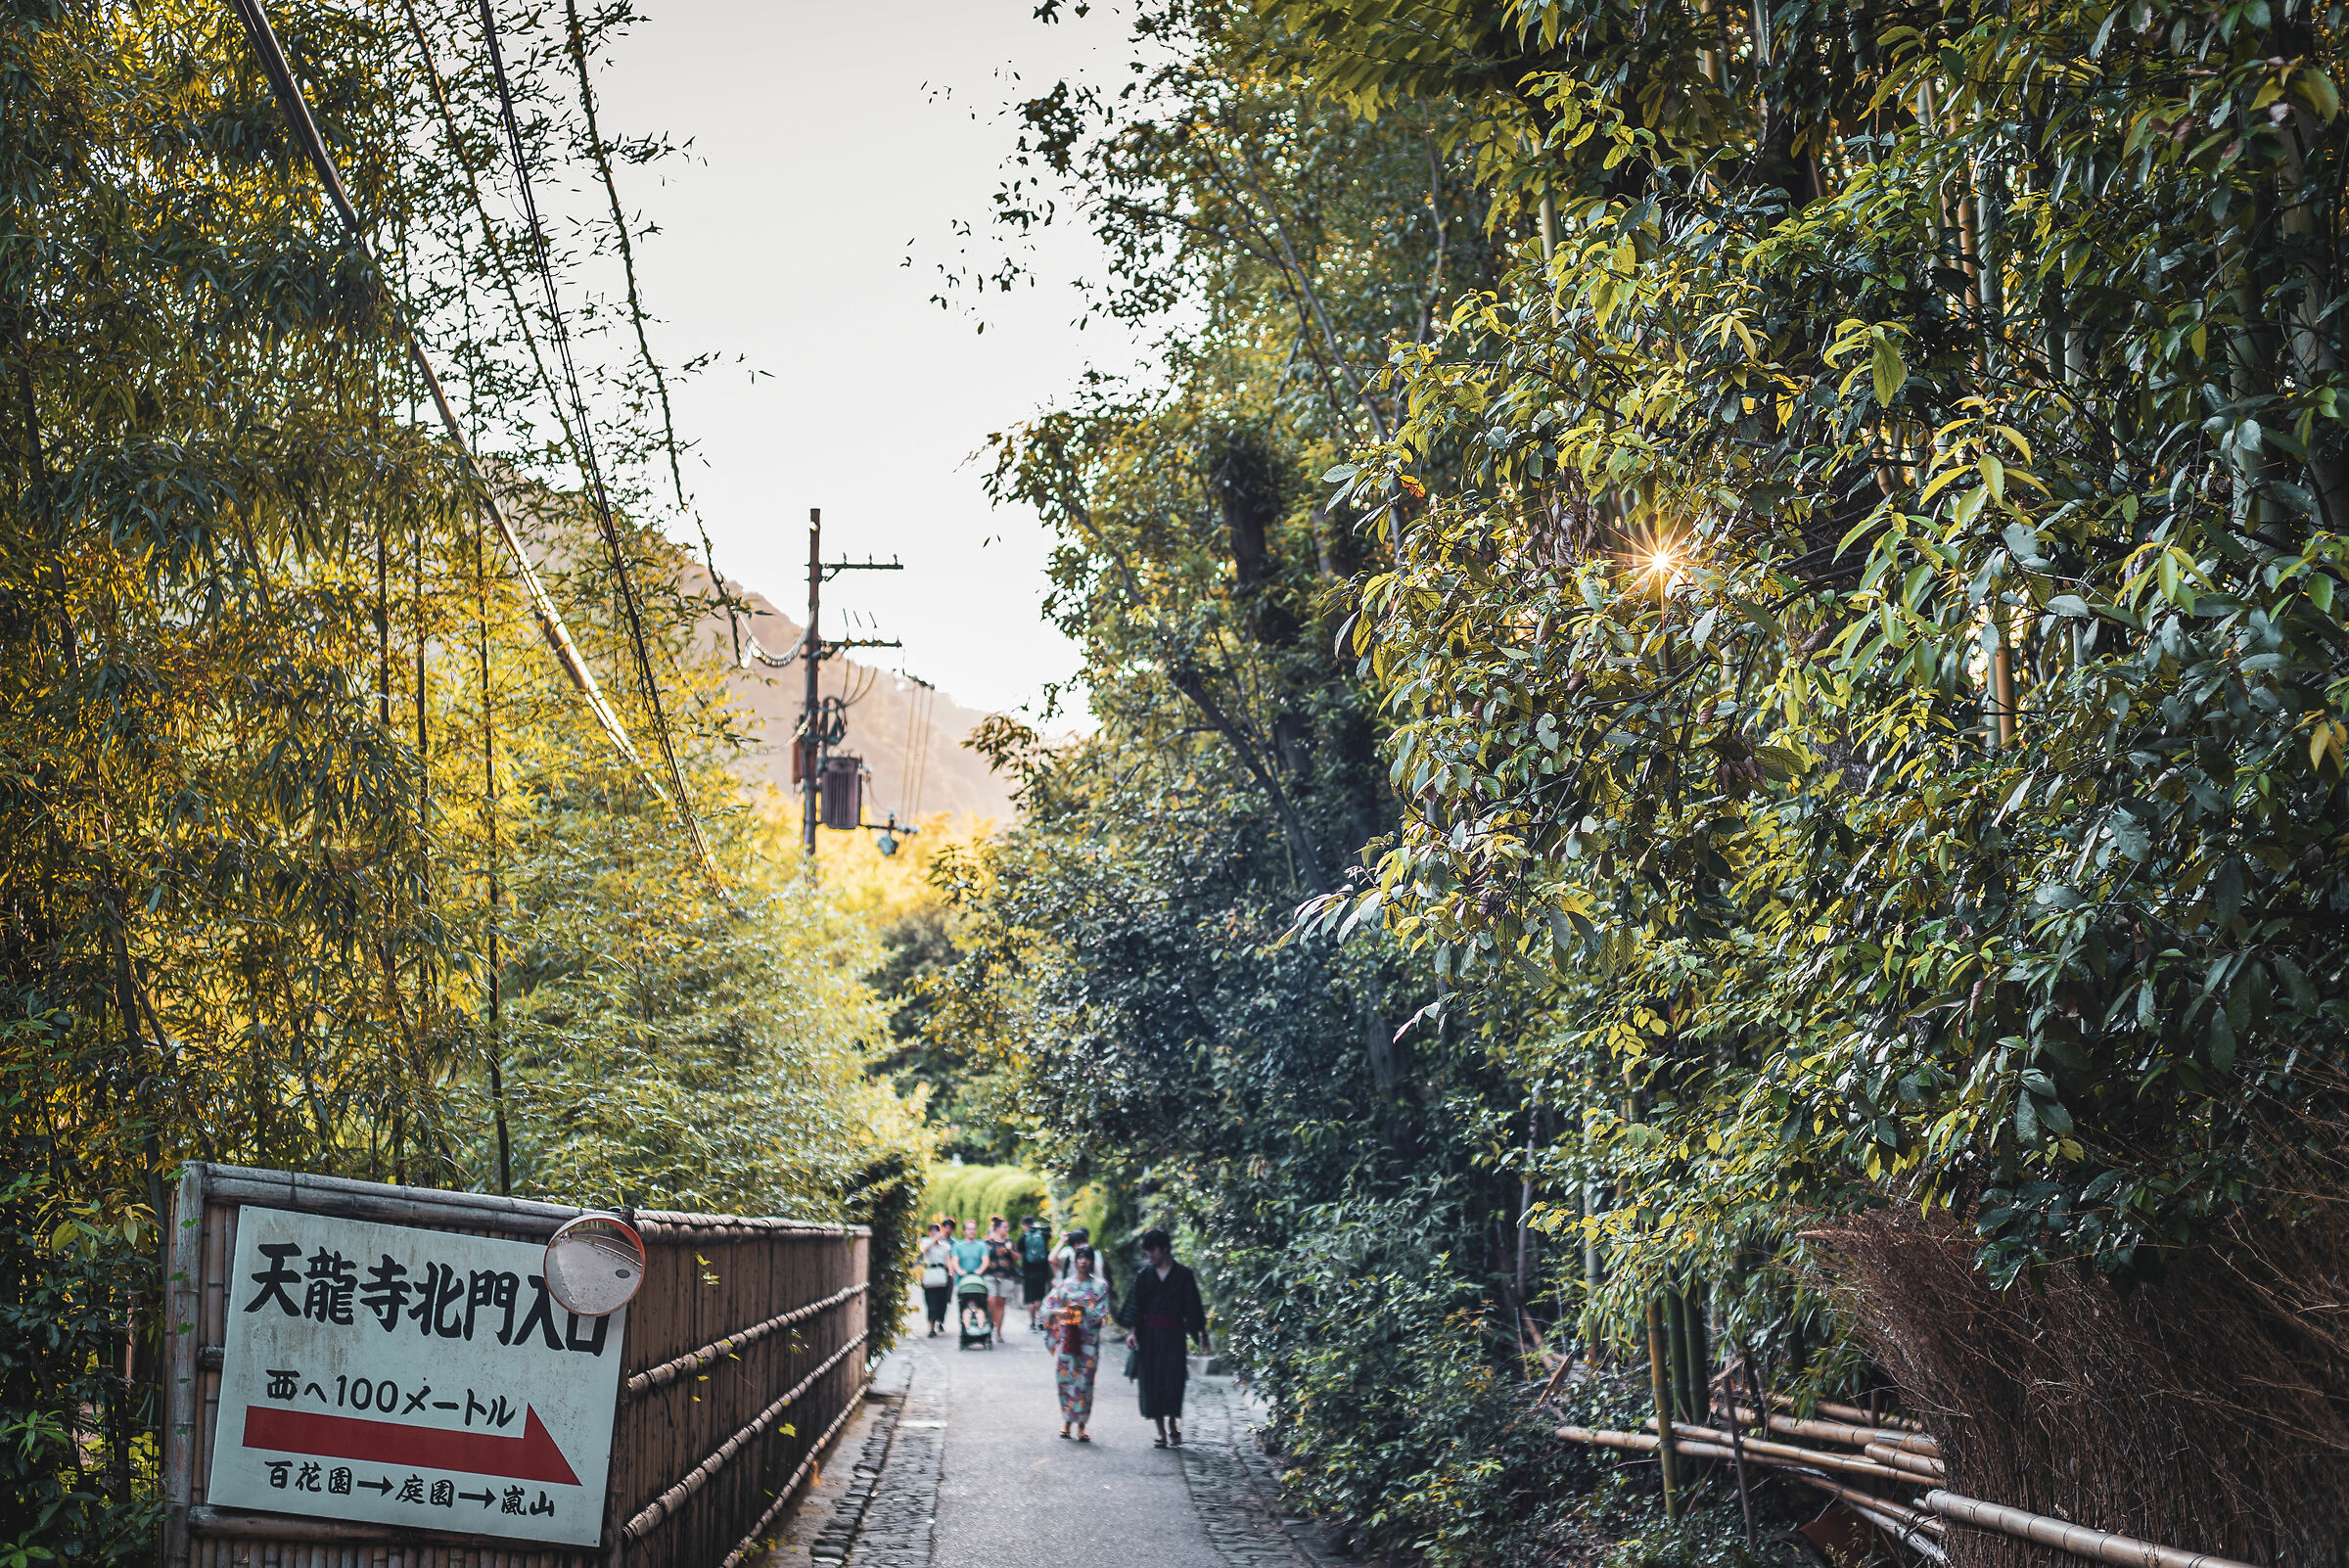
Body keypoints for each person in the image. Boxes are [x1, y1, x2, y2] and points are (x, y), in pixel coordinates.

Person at [1114, 1227, 1207, 1448]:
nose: (1149, 1255)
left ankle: (1173, 1424)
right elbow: (1136, 1306)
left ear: (1164, 1248)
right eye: (1147, 1251)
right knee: (1151, 1381)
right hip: (1149, 1336)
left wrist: (1203, 1335)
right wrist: (1133, 1332)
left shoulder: (1183, 1275)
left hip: (1174, 1335)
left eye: (1152, 1250)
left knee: (1173, 1380)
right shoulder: (1144, 1276)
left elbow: (1194, 1306)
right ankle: (1161, 1431)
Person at [1040, 1245, 1111, 1440]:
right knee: (1065, 1380)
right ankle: (1066, 1422)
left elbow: (1102, 1312)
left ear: (1092, 1261)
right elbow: (1047, 1306)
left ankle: (1081, 1425)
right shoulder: (1064, 1285)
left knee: (1085, 1382)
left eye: (1087, 1258)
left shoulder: (1100, 1286)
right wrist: (1058, 1312)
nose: (1083, 1261)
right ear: (1074, 1261)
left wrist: (1082, 1311)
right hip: (1068, 1341)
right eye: (1080, 1257)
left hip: (1088, 1342)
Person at [981, 1214, 1023, 1336]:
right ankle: (990, 1323)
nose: (1007, 1229)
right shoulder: (987, 1242)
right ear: (998, 1228)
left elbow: (1016, 1259)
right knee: (991, 1300)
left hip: (1006, 1276)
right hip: (990, 1275)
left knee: (1001, 1303)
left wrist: (1010, 1250)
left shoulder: (1009, 1242)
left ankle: (998, 1332)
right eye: (1005, 1227)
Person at [918, 1219, 956, 1336]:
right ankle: (931, 1328)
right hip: (929, 1275)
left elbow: (947, 1260)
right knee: (930, 1302)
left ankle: (938, 1321)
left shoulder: (945, 1246)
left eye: (936, 1231)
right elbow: (925, 1251)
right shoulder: (925, 1242)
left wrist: (951, 1272)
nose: (934, 1233)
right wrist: (934, 1239)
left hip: (941, 1276)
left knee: (941, 1302)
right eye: (932, 1231)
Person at [1020, 1214, 1055, 1330]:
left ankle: (1032, 1323)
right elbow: (1049, 1234)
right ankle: (1040, 1319)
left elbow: (1020, 1252)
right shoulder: (1043, 1235)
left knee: (1030, 1299)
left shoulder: (1023, 1237)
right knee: (1039, 1297)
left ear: (1023, 1225)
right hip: (1042, 1271)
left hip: (1028, 1272)